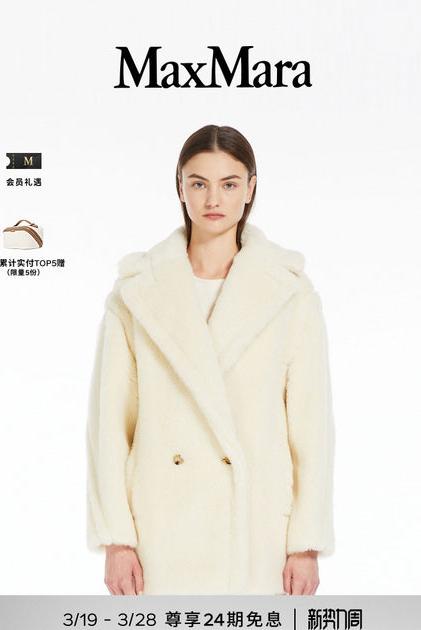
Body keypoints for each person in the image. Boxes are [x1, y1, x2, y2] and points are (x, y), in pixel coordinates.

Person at [86, 124, 335, 596]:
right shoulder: (136, 293)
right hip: (159, 528)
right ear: (180, 187)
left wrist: (305, 545)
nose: (213, 199)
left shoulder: (290, 293)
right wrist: (117, 540)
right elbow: (110, 427)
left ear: (251, 187)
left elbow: (311, 430)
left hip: (256, 530)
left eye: (229, 183)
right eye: (198, 183)